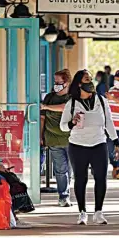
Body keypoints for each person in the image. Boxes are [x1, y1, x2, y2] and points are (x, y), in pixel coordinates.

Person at [60, 69, 119, 225]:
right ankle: (82, 212)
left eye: (91, 79)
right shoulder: (71, 103)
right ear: (79, 84)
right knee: (81, 179)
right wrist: (72, 123)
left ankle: (98, 212)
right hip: (78, 145)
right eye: (87, 80)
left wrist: (116, 142)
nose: (91, 83)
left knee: (101, 177)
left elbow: (109, 122)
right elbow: (63, 127)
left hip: (99, 143)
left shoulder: (101, 101)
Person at [40, 69, 73, 207]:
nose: (56, 84)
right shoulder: (49, 97)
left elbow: (66, 108)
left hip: (71, 139)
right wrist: (40, 136)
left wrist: (47, 107)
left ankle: (66, 192)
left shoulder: (72, 97)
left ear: (66, 83)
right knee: (60, 168)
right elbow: (42, 118)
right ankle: (63, 196)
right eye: (55, 82)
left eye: (59, 82)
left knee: (70, 169)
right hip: (53, 138)